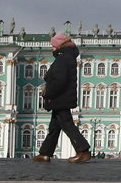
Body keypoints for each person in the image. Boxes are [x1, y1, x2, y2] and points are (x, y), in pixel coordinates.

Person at [33, 32, 91, 163]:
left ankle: (83, 151)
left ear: (59, 46)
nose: (52, 48)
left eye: (53, 46)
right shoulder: (67, 57)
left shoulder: (63, 58)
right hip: (62, 98)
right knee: (54, 127)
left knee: (67, 125)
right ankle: (45, 153)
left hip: (60, 98)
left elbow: (59, 81)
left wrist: (48, 93)